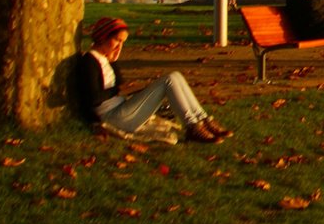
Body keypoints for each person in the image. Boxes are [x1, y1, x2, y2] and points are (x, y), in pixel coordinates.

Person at [74, 17, 231, 143]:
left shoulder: (107, 60)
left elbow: (121, 86)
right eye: (117, 40)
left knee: (176, 76)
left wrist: (116, 64)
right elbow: (92, 99)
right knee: (169, 79)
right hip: (112, 117)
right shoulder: (90, 61)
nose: (119, 46)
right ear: (102, 38)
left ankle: (203, 120)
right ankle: (192, 126)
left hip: (123, 109)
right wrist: (118, 90)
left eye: (123, 42)